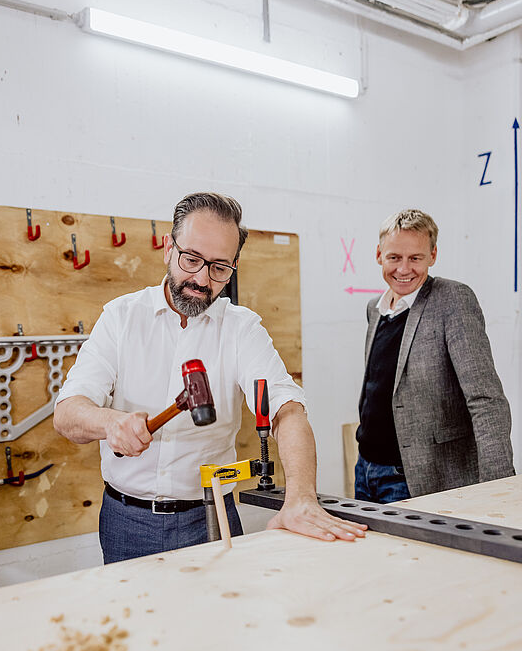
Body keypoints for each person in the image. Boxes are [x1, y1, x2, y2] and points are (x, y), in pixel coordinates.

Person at [54, 192, 366, 562]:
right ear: (169, 247)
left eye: (219, 267)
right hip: (127, 521)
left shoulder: (241, 328)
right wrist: (112, 422)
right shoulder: (121, 318)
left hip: (211, 518)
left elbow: (287, 410)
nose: (202, 279)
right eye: (192, 259)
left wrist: (300, 498)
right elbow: (68, 413)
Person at [355, 208, 514, 503]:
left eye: (415, 258)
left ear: (433, 255)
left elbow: (485, 399)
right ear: (379, 255)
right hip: (366, 469)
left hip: (415, 475)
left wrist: (499, 487)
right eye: (394, 258)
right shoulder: (374, 308)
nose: (403, 269)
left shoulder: (452, 299)